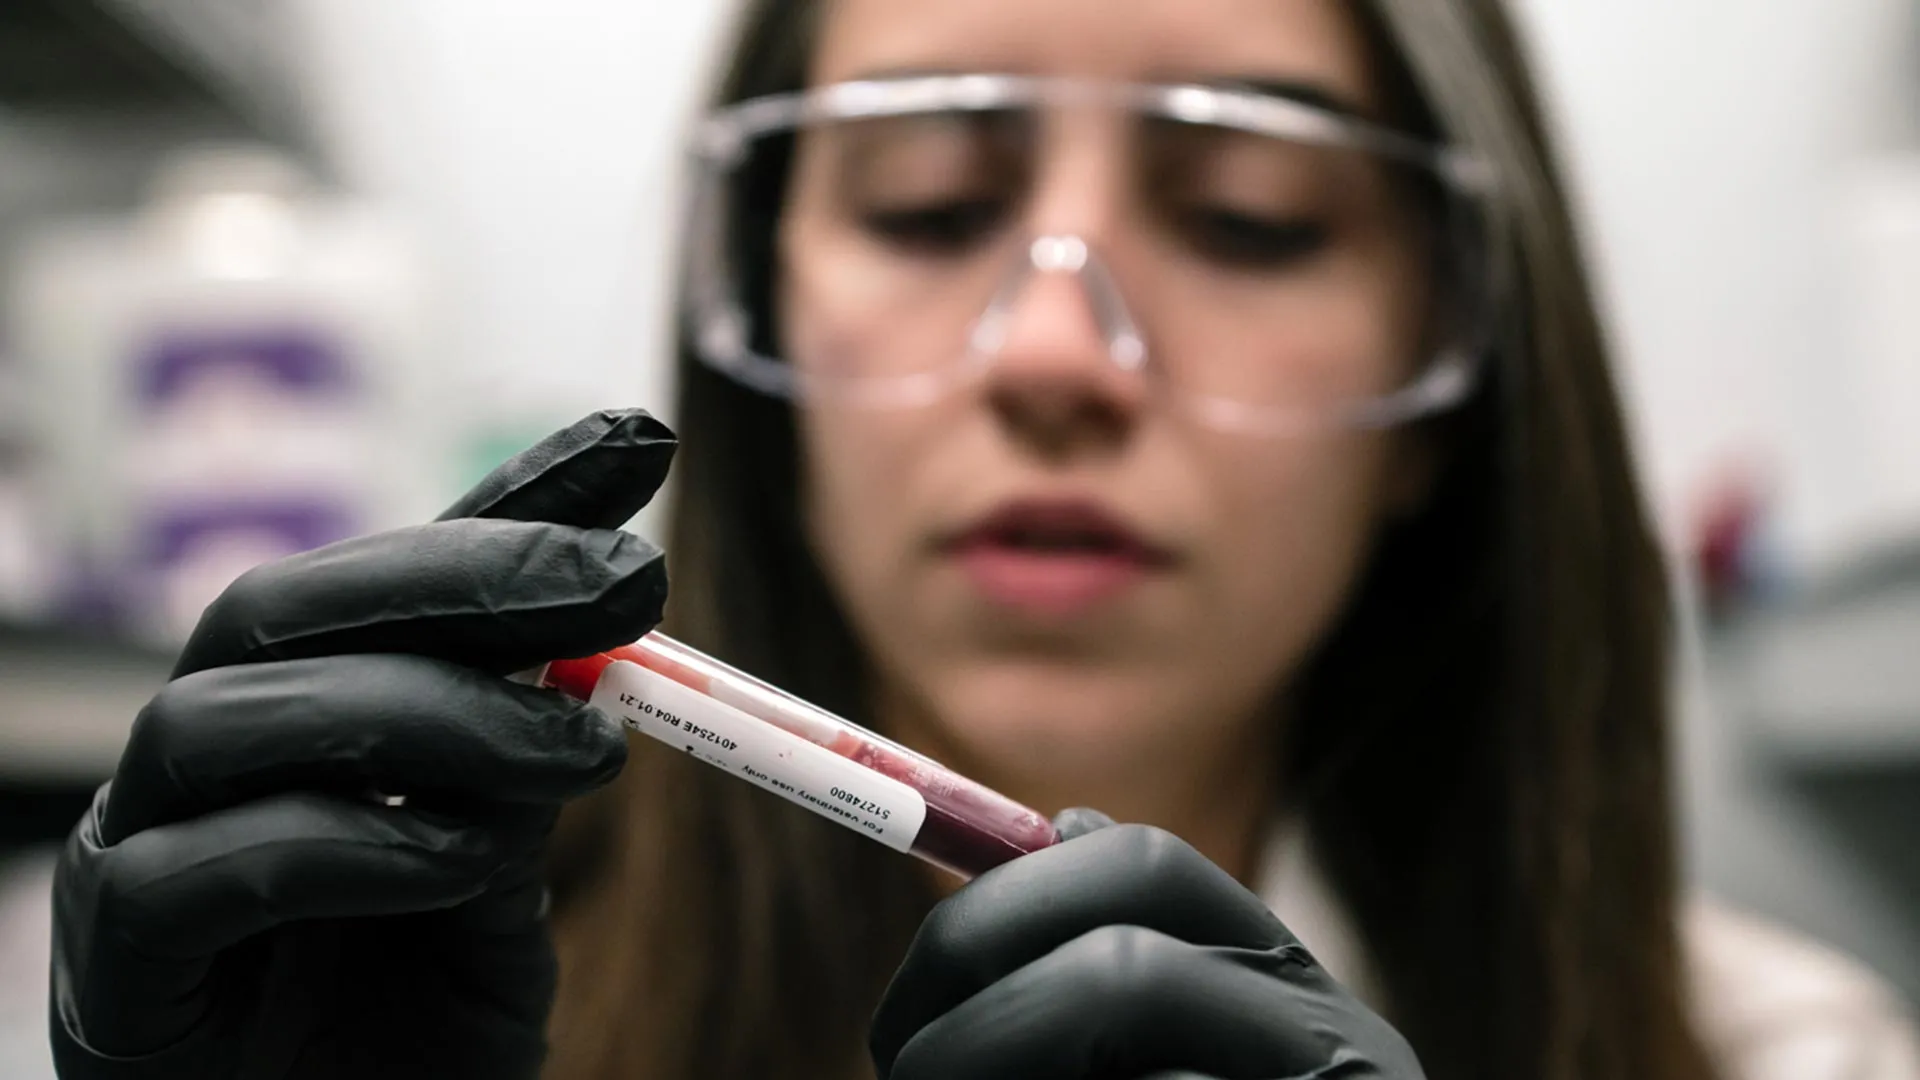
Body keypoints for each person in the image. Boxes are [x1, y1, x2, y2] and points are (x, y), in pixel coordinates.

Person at [45, 0, 1920, 1078]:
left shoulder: (1777, 1052)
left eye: (1252, 218)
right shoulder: (340, 977)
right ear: (762, 318)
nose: (1051, 355)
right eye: (930, 205)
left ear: (1452, 380)